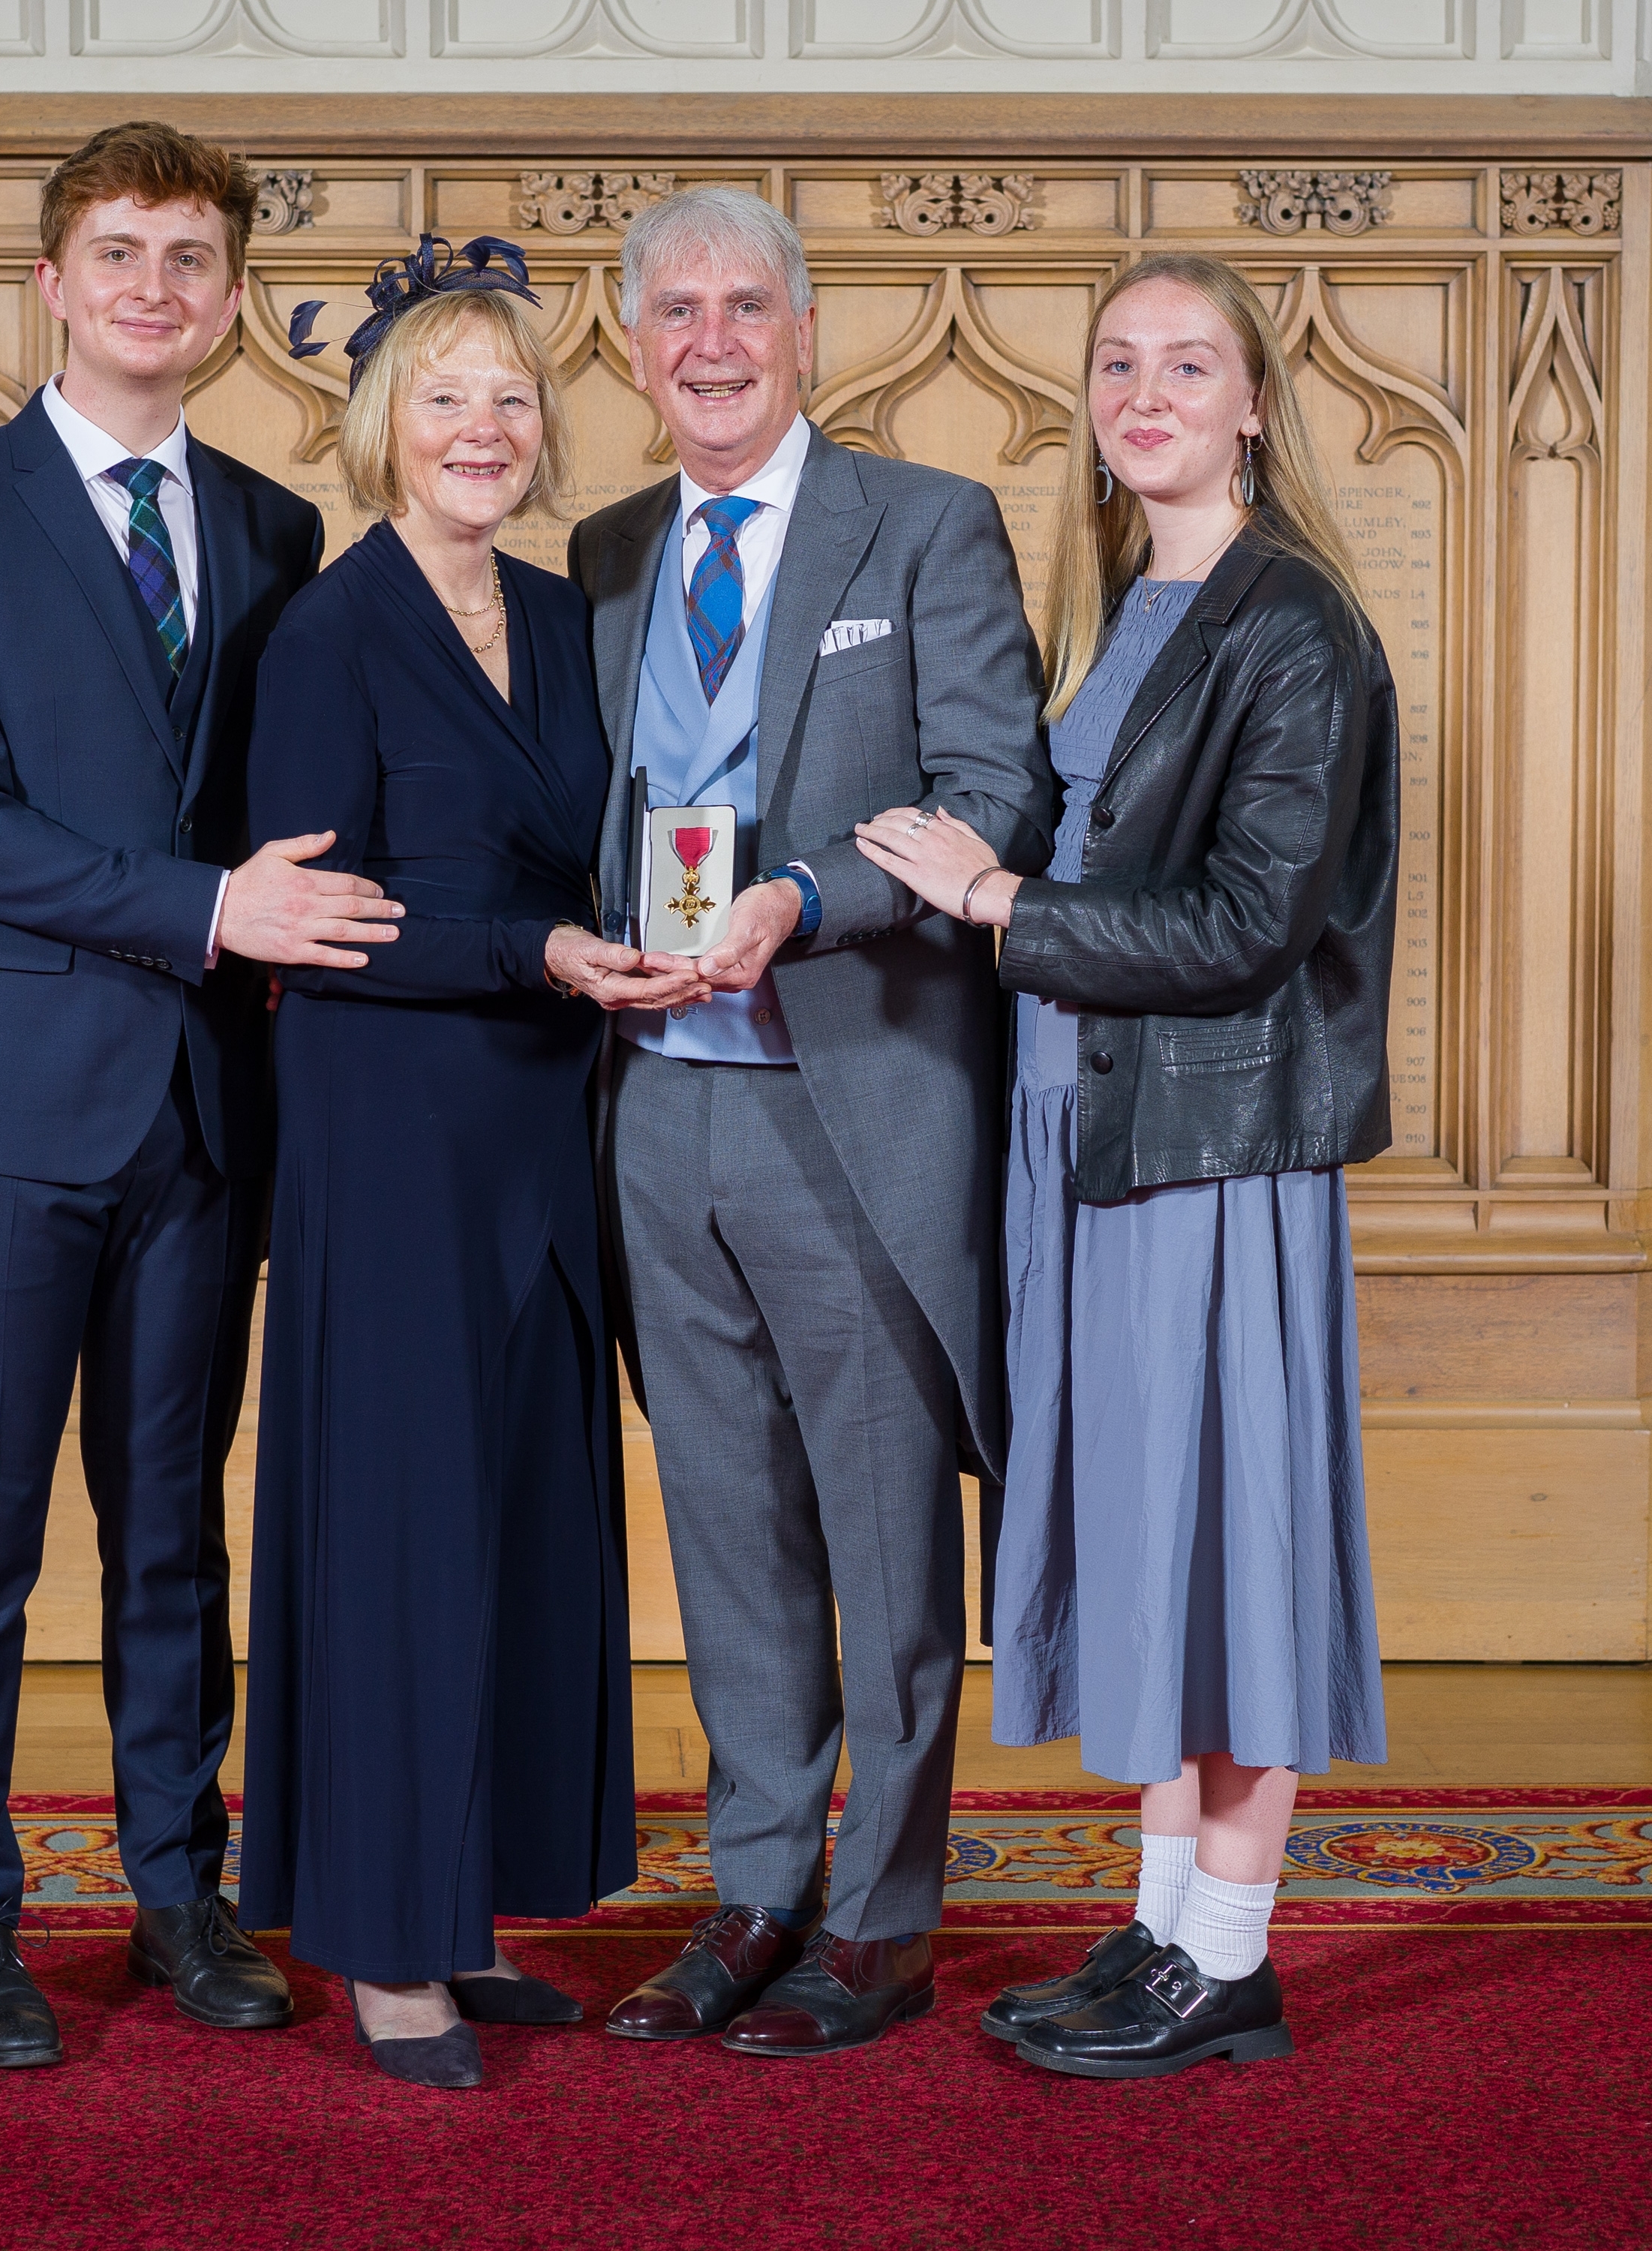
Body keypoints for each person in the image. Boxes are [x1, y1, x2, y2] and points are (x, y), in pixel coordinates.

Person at [0, 119, 407, 2069]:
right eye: (119, 254)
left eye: (190, 258)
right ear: (52, 281)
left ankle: (179, 1892)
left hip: (202, 1112)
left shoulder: (269, 526)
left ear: (234, 297)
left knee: (172, 1527)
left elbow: (300, 810)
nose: (154, 288)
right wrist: (207, 908)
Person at [853, 251, 1397, 2078]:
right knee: (1146, 1538)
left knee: (1229, 1540)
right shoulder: (1124, 608)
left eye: (1187, 365)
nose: (1146, 393)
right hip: (1082, 1136)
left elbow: (1249, 922)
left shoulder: (1290, 621)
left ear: (1254, 402)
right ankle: (1162, 1930)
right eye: (1116, 364)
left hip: (1210, 1153)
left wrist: (999, 897)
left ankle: (1231, 1956)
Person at [570, 187, 1056, 2059]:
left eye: (745, 305)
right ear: (634, 345)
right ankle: (759, 1886)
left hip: (851, 1099)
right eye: (676, 309)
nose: (711, 338)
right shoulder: (607, 552)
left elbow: (987, 783)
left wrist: (803, 899)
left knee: (874, 1532)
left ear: (805, 330)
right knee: (726, 1529)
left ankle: (883, 1918)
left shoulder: (923, 525)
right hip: (657, 1120)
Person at [237, 245, 690, 2093]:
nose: (483, 429)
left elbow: (608, 842)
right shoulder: (329, 637)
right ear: (381, 429)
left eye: (511, 398)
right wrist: (535, 952)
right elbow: (317, 923)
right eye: (445, 398)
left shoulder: (564, 612)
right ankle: (384, 1945)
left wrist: (648, 933)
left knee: (519, 1514)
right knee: (402, 1535)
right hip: (392, 1122)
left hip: (539, 1122)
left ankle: (474, 1903)